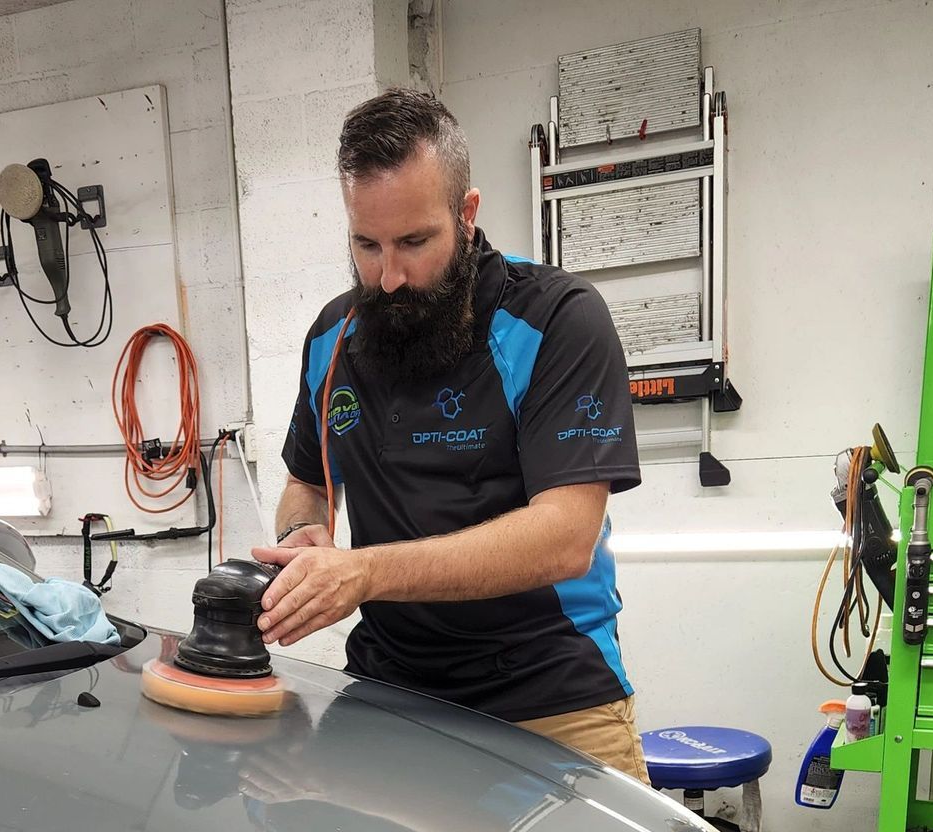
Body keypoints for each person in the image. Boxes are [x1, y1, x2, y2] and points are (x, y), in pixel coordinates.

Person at [249, 88, 649, 785]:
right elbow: (306, 485)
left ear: (467, 215)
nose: (390, 276)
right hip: (390, 693)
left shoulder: (557, 319)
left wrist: (365, 572)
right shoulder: (332, 337)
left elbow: (565, 536)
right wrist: (300, 536)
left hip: (551, 696)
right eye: (365, 245)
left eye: (413, 242)